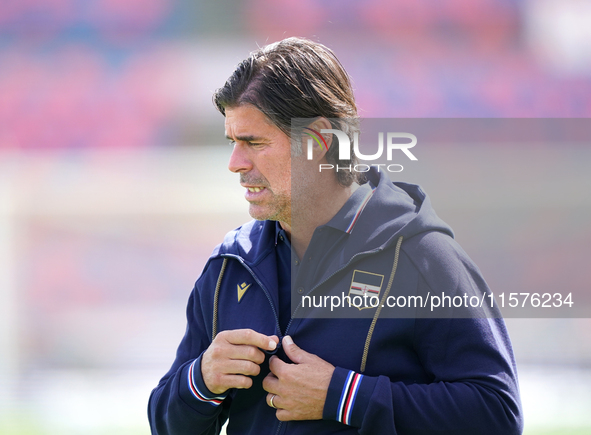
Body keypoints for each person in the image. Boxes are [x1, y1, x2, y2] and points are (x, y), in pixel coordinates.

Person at [148, 37, 523, 435]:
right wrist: (200, 381)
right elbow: (167, 424)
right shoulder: (230, 265)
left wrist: (345, 397)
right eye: (233, 142)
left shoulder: (421, 255)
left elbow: (497, 414)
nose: (235, 163)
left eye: (254, 143)